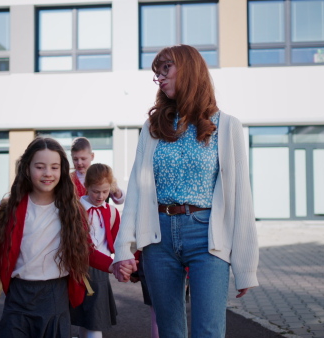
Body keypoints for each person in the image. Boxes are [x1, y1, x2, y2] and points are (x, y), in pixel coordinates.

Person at [111, 44, 259, 338]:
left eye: (166, 69)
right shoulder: (152, 128)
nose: (160, 78)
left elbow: (241, 198)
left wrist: (246, 266)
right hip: (158, 237)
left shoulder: (226, 126)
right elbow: (138, 192)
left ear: (189, 70)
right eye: (157, 73)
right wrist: (123, 249)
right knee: (169, 332)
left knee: (209, 331)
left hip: (207, 237)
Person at [0, 137, 128, 338]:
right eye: (40, 167)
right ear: (27, 168)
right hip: (18, 298)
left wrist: (114, 265)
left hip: (56, 297)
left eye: (54, 167)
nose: (48, 173)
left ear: (62, 170)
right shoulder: (10, 207)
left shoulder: (72, 209)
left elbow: (85, 251)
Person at [70, 163, 121, 338]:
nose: (100, 196)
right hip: (77, 269)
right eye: (95, 191)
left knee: (94, 321)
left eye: (105, 192)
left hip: (101, 270)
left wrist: (127, 263)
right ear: (86, 187)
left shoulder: (112, 212)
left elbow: (118, 241)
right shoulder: (75, 210)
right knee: (85, 319)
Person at [70, 137, 125, 203]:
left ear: (92, 156)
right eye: (75, 159)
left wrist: (116, 190)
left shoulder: (101, 174)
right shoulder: (68, 179)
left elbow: (119, 200)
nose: (79, 163)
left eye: (83, 159)